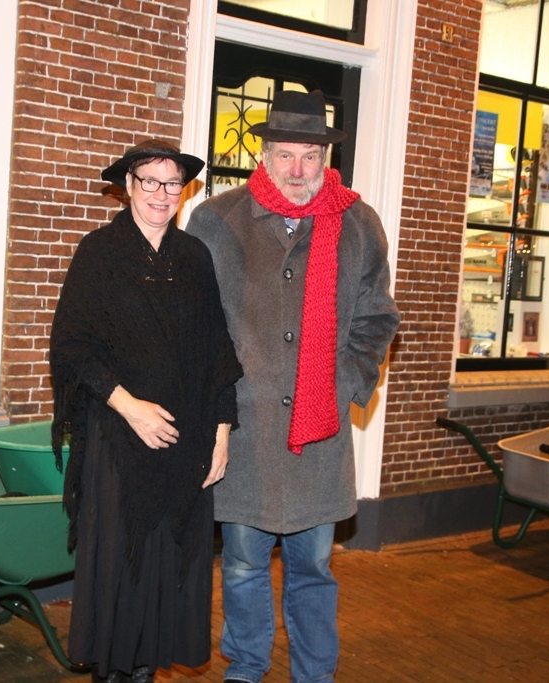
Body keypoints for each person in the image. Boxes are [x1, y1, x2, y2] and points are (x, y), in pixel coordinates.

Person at [187, 90, 401, 683]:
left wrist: (341, 383)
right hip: (245, 433)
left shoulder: (358, 223)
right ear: (264, 155)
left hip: (320, 434)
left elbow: (377, 318)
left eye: (310, 156)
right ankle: (246, 668)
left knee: (313, 570)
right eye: (286, 155)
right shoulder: (216, 220)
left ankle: (314, 674)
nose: (298, 170)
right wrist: (214, 406)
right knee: (241, 566)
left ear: (325, 159)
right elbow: (197, 326)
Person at [49, 139, 243, 683]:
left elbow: (218, 351)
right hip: (119, 442)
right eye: (150, 181)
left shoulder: (195, 257)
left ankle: (144, 673)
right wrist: (131, 408)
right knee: (121, 565)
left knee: (167, 567)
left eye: (172, 183)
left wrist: (221, 433)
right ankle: (113, 673)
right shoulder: (99, 253)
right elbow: (72, 347)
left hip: (185, 442)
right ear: (128, 186)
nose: (162, 193)